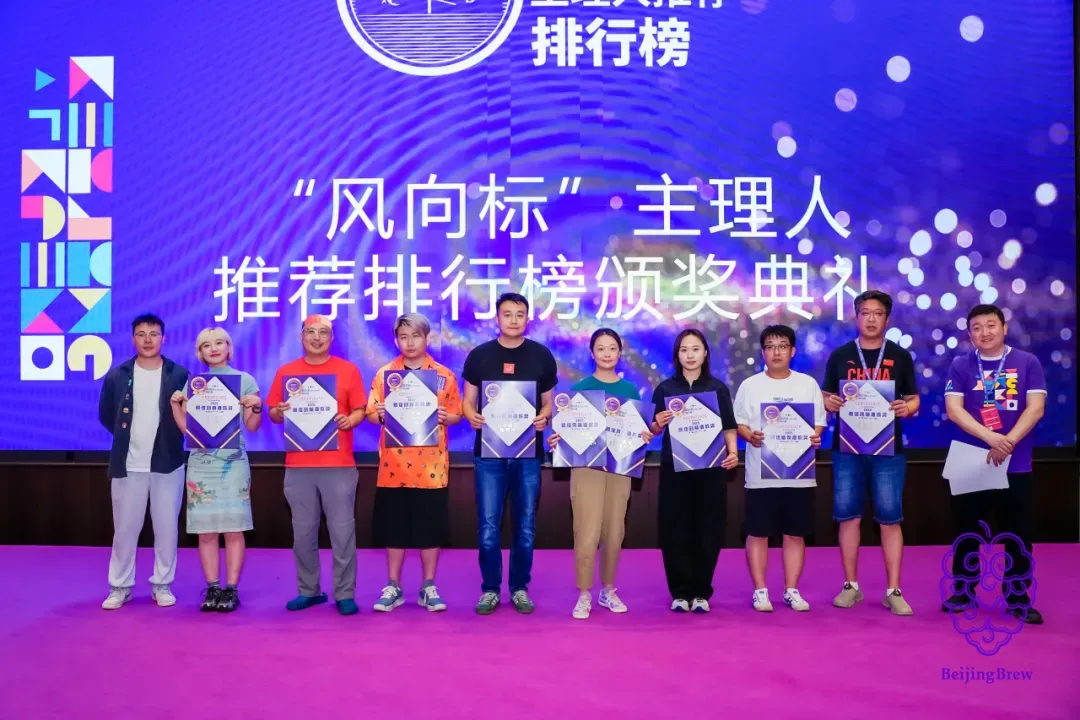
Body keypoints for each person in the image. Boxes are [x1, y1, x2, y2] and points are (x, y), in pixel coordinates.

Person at [942, 304, 1045, 624]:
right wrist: (992, 439)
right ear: (969, 333)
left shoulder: (1027, 362)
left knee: (1017, 534)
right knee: (966, 532)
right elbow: (954, 410)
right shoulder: (961, 364)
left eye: (990, 325)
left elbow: (1035, 408)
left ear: (1004, 328)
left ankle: (1018, 597)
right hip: (970, 460)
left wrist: (1008, 442)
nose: (984, 332)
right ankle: (963, 591)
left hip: (1016, 463)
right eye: (976, 327)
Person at [822, 290, 919, 616]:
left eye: (878, 313)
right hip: (847, 448)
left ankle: (894, 590)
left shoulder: (900, 356)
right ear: (857, 316)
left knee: (890, 517)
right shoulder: (841, 355)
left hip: (888, 449)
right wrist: (829, 401)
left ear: (887, 319)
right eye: (865, 312)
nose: (871, 318)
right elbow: (825, 395)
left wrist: (907, 407)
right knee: (848, 515)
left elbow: (914, 399)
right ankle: (851, 585)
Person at [462, 292, 557, 615]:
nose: (514, 320)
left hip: (528, 454)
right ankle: (490, 589)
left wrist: (544, 416)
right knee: (488, 528)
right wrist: (471, 415)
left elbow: (548, 402)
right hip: (489, 454)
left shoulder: (541, 355)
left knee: (525, 527)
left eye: (519, 314)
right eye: (507, 314)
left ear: (527, 319)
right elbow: (467, 401)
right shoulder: (479, 355)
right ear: (497, 318)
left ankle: (519, 588)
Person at [547, 328, 653, 619]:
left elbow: (638, 430)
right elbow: (566, 431)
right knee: (586, 529)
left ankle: (608, 589)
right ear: (592, 353)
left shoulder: (630, 391)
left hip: (620, 467)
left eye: (612, 348)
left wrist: (644, 435)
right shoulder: (579, 389)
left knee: (615, 531)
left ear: (620, 353)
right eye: (601, 348)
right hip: (587, 468)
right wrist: (557, 441)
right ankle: (584, 593)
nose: (607, 354)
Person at [266, 314, 367, 616]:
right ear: (301, 337)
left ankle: (345, 593)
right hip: (298, 466)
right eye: (311, 332)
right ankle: (308, 591)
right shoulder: (287, 372)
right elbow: (273, 413)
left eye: (323, 333)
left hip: (339, 465)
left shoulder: (348, 370)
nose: (317, 338)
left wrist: (350, 420)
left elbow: (361, 409)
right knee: (303, 534)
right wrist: (279, 412)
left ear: (331, 338)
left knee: (342, 533)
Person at [365, 313, 462, 612]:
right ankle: (393, 586)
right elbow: (370, 414)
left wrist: (447, 417)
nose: (410, 343)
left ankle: (428, 586)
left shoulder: (444, 376)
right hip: (393, 467)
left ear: (427, 338)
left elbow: (457, 414)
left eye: (416, 336)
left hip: (431, 468)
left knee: (430, 529)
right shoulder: (385, 375)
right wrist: (381, 414)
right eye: (403, 337)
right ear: (396, 341)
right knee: (394, 529)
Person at [98, 314, 190, 610]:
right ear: (133, 339)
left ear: (164, 338)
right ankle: (120, 586)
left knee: (167, 528)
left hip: (169, 463)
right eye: (141, 334)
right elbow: (106, 415)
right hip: (128, 464)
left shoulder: (180, 375)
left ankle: (162, 584)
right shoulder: (117, 375)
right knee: (124, 529)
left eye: (154, 334)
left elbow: (190, 418)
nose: (148, 340)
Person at [169, 327, 262, 612]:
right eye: (206, 345)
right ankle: (212, 588)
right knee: (206, 531)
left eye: (219, 342)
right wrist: (175, 406)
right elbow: (188, 430)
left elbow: (252, 426)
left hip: (233, 463)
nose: (214, 348)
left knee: (234, 529)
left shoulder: (244, 380)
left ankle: (231, 590)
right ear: (200, 352)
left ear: (229, 348)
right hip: (201, 464)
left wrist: (256, 407)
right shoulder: (194, 384)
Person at [734, 325, 826, 612]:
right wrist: (749, 435)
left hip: (799, 473)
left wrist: (815, 436)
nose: (776, 352)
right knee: (758, 532)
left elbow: (819, 422)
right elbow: (739, 423)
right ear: (763, 352)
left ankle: (791, 589)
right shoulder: (750, 386)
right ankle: (760, 591)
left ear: (793, 351)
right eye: (770, 346)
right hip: (761, 474)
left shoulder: (807, 384)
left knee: (795, 533)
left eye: (782, 346)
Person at [650, 329, 739, 613]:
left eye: (695, 349)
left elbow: (729, 426)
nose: (690, 355)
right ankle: (679, 592)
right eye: (684, 350)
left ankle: (701, 592)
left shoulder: (717, 388)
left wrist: (733, 452)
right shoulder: (665, 389)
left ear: (705, 353)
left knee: (708, 528)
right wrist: (658, 422)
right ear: (677, 355)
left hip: (710, 468)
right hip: (674, 468)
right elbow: (652, 429)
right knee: (674, 529)